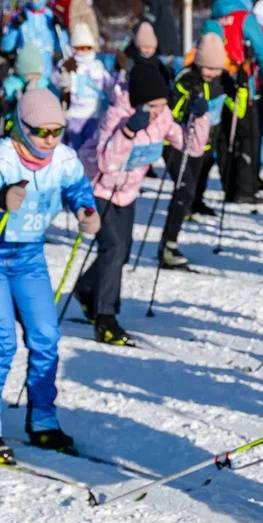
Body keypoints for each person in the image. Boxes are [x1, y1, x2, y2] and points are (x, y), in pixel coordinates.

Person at [76, 61, 209, 346]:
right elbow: (107, 163)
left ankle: (87, 288)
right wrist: (127, 133)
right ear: (138, 104)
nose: (158, 112)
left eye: (162, 105)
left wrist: (199, 119)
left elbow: (191, 147)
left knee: (122, 253)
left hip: (127, 192)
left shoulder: (162, 119)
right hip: (99, 189)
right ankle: (105, 318)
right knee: (113, 248)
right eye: (152, 107)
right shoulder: (116, 115)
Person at [0, 89, 97, 461]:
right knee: (3, 344)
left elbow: (77, 189)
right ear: (23, 127)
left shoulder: (63, 159)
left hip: (29, 258)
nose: (50, 139)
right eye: (42, 132)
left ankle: (43, 420)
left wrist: (86, 210)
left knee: (46, 337)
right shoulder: (5, 158)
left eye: (57, 131)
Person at [158, 33, 232, 271]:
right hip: (177, 144)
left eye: (216, 69)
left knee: (189, 193)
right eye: (206, 67)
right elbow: (170, 111)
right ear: (198, 62)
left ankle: (171, 241)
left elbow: (237, 111)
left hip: (204, 146)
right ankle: (168, 246)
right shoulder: (186, 79)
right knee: (184, 190)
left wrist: (239, 89)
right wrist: (188, 107)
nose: (211, 73)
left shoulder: (222, 80)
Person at [201, 0, 263, 206]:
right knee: (247, 136)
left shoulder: (213, 18)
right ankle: (245, 189)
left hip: (217, 84)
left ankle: (229, 186)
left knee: (225, 136)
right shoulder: (245, 19)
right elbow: (261, 49)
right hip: (242, 85)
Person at [58, 24, 111, 150]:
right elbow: (58, 83)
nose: (84, 51)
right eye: (80, 47)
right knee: (73, 147)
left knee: (89, 148)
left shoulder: (98, 65)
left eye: (87, 47)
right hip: (74, 115)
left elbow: (109, 85)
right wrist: (64, 74)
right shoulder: (67, 64)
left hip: (93, 115)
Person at [0, 0, 69, 84]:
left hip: (47, 77)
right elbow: (6, 47)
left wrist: (62, 29)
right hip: (24, 77)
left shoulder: (51, 16)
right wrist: (14, 28)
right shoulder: (21, 15)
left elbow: (63, 48)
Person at [2, 44, 49, 114]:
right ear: (23, 73)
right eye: (32, 75)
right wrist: (21, 97)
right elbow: (6, 107)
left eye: (38, 75)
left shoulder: (43, 82)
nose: (35, 79)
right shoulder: (12, 84)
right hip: (14, 119)